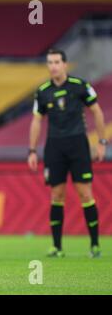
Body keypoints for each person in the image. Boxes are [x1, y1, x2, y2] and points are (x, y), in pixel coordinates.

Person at [28, 49, 106, 258]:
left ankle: (95, 245)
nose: (53, 66)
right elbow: (36, 121)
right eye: (49, 62)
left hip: (78, 145)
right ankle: (57, 247)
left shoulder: (80, 86)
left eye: (56, 62)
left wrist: (101, 141)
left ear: (64, 64)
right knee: (56, 195)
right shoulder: (43, 91)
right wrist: (32, 150)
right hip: (55, 147)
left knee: (85, 194)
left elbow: (97, 111)